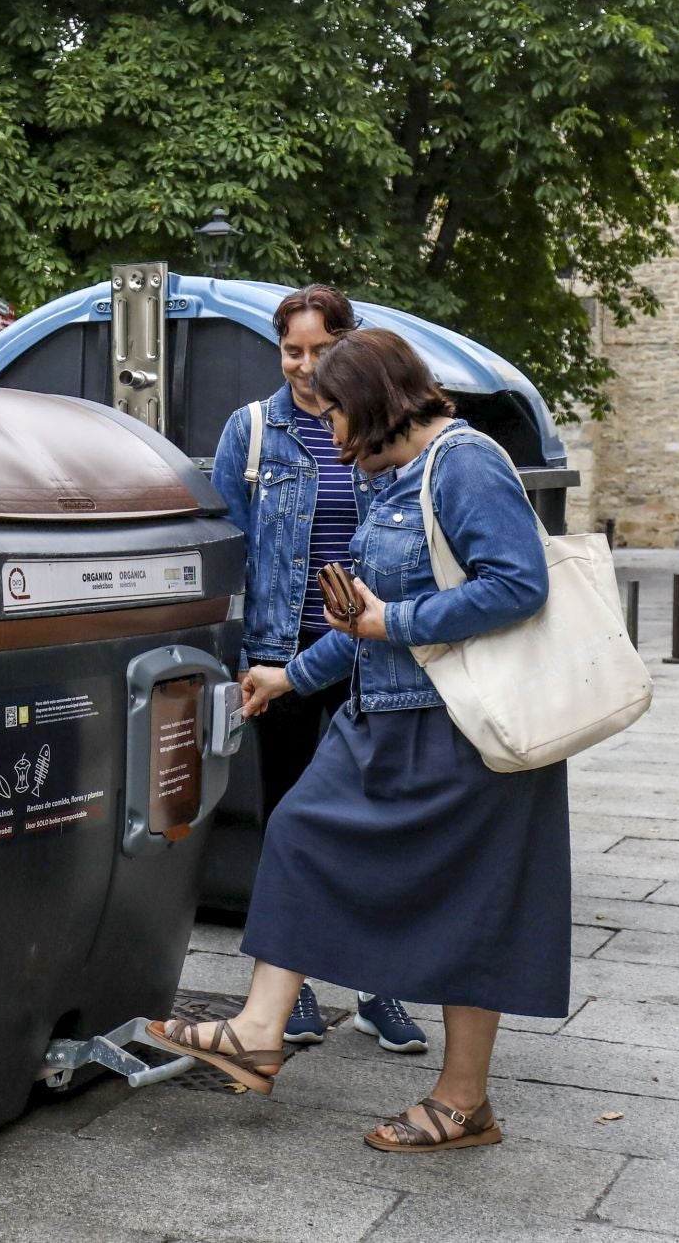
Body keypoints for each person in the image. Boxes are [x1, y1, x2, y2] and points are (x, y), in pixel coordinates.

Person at [151, 328, 569, 1153]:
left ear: (374, 401)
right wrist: (291, 675)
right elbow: (363, 618)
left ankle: (463, 1102)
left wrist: (392, 619)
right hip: (380, 713)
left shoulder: (464, 462)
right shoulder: (384, 476)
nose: (326, 423)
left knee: (470, 902)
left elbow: (518, 584)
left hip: (461, 724)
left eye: (335, 407)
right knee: (301, 832)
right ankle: (259, 1031)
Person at [209, 286, 426, 1055]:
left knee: (375, 820)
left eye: (319, 350)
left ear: (348, 343)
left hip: (368, 650)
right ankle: (288, 989)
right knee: (288, 822)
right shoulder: (255, 430)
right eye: (290, 351)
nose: (304, 367)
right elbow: (227, 539)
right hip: (282, 654)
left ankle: (378, 985)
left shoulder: (375, 424)